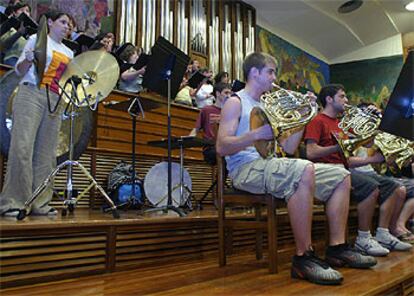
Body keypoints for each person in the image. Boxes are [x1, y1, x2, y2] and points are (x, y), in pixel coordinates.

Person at [216, 52, 376, 286]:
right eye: (270, 71)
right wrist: (256, 135)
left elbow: (289, 148)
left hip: (270, 165)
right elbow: (221, 146)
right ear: (254, 73)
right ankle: (303, 258)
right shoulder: (236, 101)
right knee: (303, 169)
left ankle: (337, 248)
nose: (274, 77)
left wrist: (303, 117)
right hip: (245, 168)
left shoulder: (269, 106)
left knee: (341, 175)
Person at [304, 84, 412, 255]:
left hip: (344, 169)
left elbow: (353, 154)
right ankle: (363, 238)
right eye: (342, 96)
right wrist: (336, 148)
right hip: (327, 170)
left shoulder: (342, 124)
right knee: (370, 187)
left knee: (395, 188)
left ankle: (383, 233)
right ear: (329, 99)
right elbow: (311, 152)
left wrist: (377, 121)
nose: (346, 100)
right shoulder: (317, 121)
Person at [0, 10, 74, 217]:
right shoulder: (36, 39)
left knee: (47, 154)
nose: (67, 26)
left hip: (55, 100)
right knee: (22, 147)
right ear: (50, 22)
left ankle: (40, 202)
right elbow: (19, 70)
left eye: (69, 24)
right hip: (31, 93)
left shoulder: (69, 53)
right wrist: (28, 59)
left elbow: (67, 81)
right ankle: (13, 202)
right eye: (63, 22)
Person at [189, 82, 231, 165]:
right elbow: (196, 129)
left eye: (230, 93)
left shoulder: (231, 112)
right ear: (218, 94)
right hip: (210, 148)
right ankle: (220, 177)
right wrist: (186, 141)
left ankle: (221, 177)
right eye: (226, 93)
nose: (229, 96)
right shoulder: (206, 110)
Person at [0, 2, 31, 66]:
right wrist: (18, 33)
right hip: (12, 58)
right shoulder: (8, 26)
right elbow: (3, 46)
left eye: (27, 11)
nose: (25, 13)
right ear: (14, 13)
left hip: (26, 60)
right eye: (22, 10)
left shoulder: (30, 30)